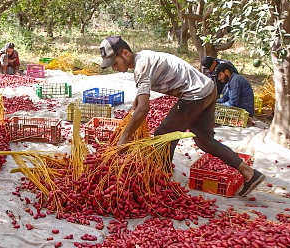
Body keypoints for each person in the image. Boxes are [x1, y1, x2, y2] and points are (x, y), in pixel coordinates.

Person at [100, 35, 265, 196]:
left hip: (195, 95)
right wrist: (137, 100)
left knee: (163, 135)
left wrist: (124, 138)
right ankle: (249, 173)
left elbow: (144, 109)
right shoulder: (144, 57)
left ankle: (160, 182)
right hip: (208, 89)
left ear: (125, 53)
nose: (114, 68)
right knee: (204, 140)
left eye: (114, 63)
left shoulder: (140, 67)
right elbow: (142, 96)